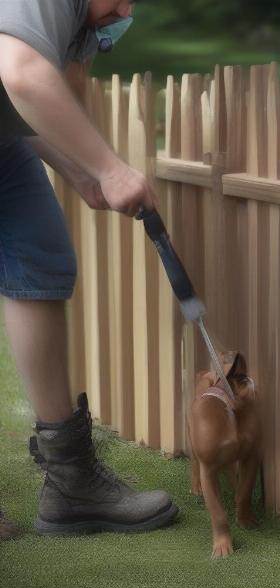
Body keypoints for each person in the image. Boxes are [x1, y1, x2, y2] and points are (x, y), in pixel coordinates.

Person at [0, 0, 178, 540]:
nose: (127, 9)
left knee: (41, 261)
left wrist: (82, 171)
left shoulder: (84, 24)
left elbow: (56, 103)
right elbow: (20, 71)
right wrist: (111, 168)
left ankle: (71, 482)